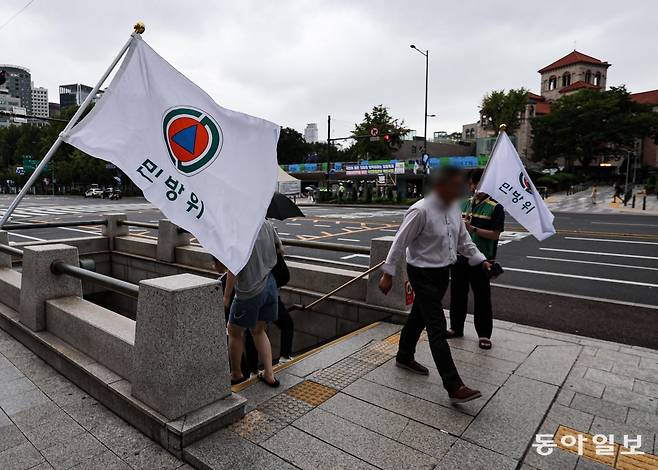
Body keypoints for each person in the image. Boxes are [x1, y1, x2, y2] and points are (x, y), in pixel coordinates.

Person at [378, 166, 491, 404]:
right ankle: (454, 385)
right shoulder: (420, 211)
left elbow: (464, 242)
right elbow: (399, 243)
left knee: (419, 316)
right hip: (421, 273)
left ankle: (404, 356)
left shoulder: (453, 209)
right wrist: (388, 274)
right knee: (436, 326)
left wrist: (481, 261)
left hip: (442, 274)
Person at [448, 168, 504, 350]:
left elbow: (495, 235)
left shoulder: (496, 207)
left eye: (482, 184)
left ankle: (484, 335)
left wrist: (473, 229)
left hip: (483, 260)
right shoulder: (462, 204)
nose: (478, 187)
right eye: (475, 184)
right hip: (459, 257)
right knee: (457, 295)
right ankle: (456, 328)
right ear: (470, 185)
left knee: (482, 298)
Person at [224, 220, 281, 387]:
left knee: (234, 331)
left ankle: (236, 374)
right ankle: (269, 373)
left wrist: (227, 296)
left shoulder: (237, 227)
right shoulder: (266, 223)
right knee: (258, 330)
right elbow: (280, 250)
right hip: (270, 285)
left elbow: (233, 267)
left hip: (249, 291)